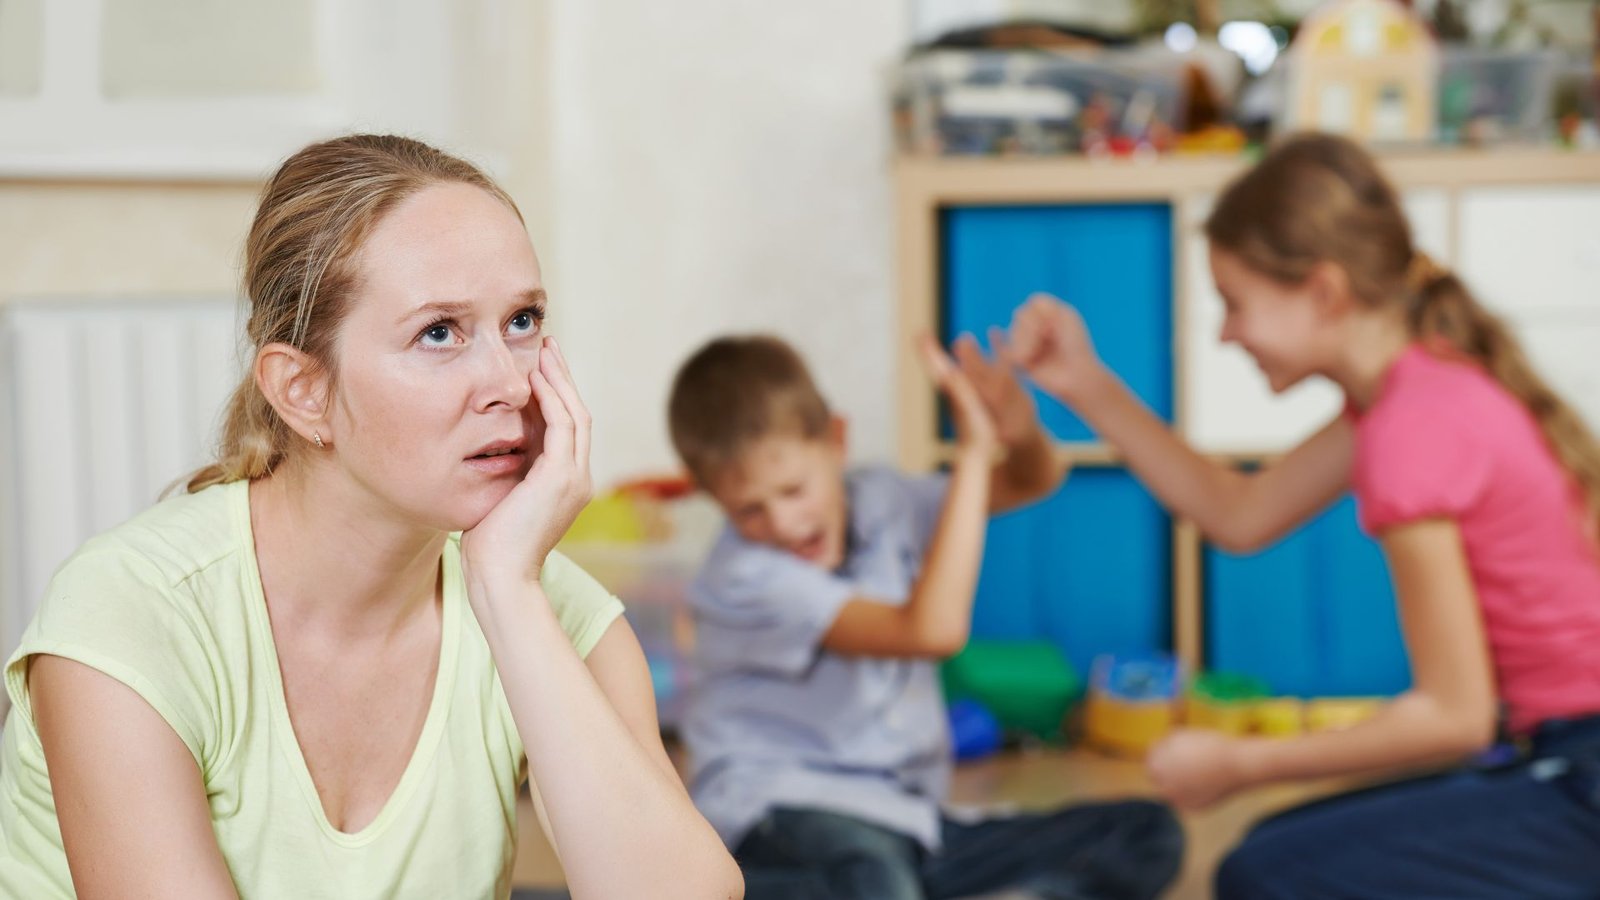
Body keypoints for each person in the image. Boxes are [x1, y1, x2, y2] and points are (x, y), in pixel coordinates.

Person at [0, 134, 742, 900]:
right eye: (439, 333)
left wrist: (509, 595)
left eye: (522, 321)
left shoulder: (544, 605)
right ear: (303, 391)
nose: (510, 385)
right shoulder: (130, 615)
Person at [1008, 131, 1600, 897]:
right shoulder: (1414, 389)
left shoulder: (1411, 428)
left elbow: (1453, 717)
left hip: (1580, 779)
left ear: (1323, 290)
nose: (1226, 333)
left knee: (1268, 871)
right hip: (1561, 759)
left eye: (1235, 303)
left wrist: (1239, 764)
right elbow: (1240, 513)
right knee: (1278, 851)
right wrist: (1086, 385)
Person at [666, 333, 1184, 899]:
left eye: (793, 489)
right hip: (781, 808)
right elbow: (932, 631)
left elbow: (1034, 479)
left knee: (1145, 831)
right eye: (749, 509)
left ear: (837, 441)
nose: (784, 523)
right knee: (873, 876)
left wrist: (1018, 430)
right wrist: (972, 455)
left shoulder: (884, 498)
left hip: (909, 823)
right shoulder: (743, 576)